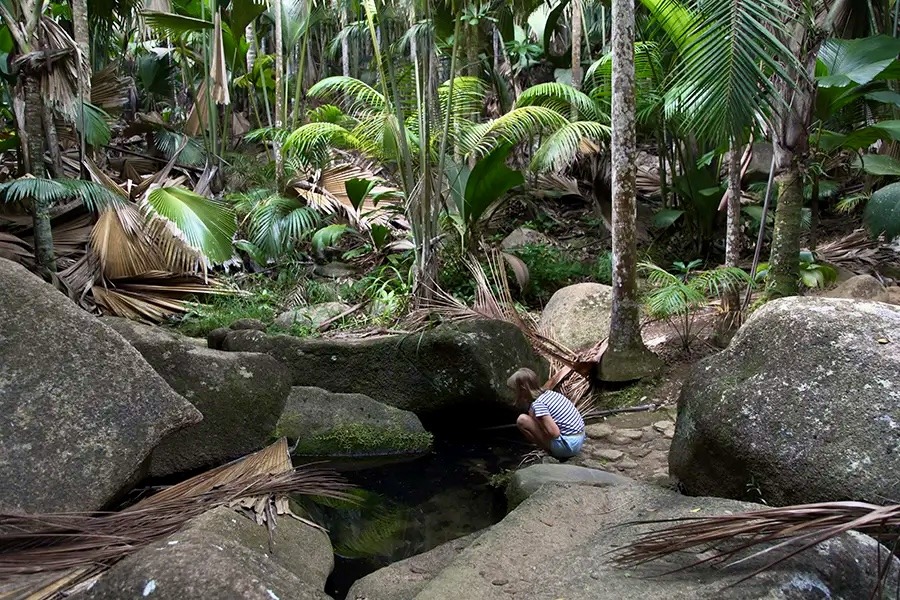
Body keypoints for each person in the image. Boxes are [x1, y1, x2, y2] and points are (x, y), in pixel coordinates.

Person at [507, 367, 585, 459]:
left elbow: (554, 433)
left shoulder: (539, 404)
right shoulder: (550, 394)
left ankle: (548, 451)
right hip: (579, 439)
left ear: (523, 389)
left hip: (569, 447)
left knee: (522, 420)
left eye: (514, 391)